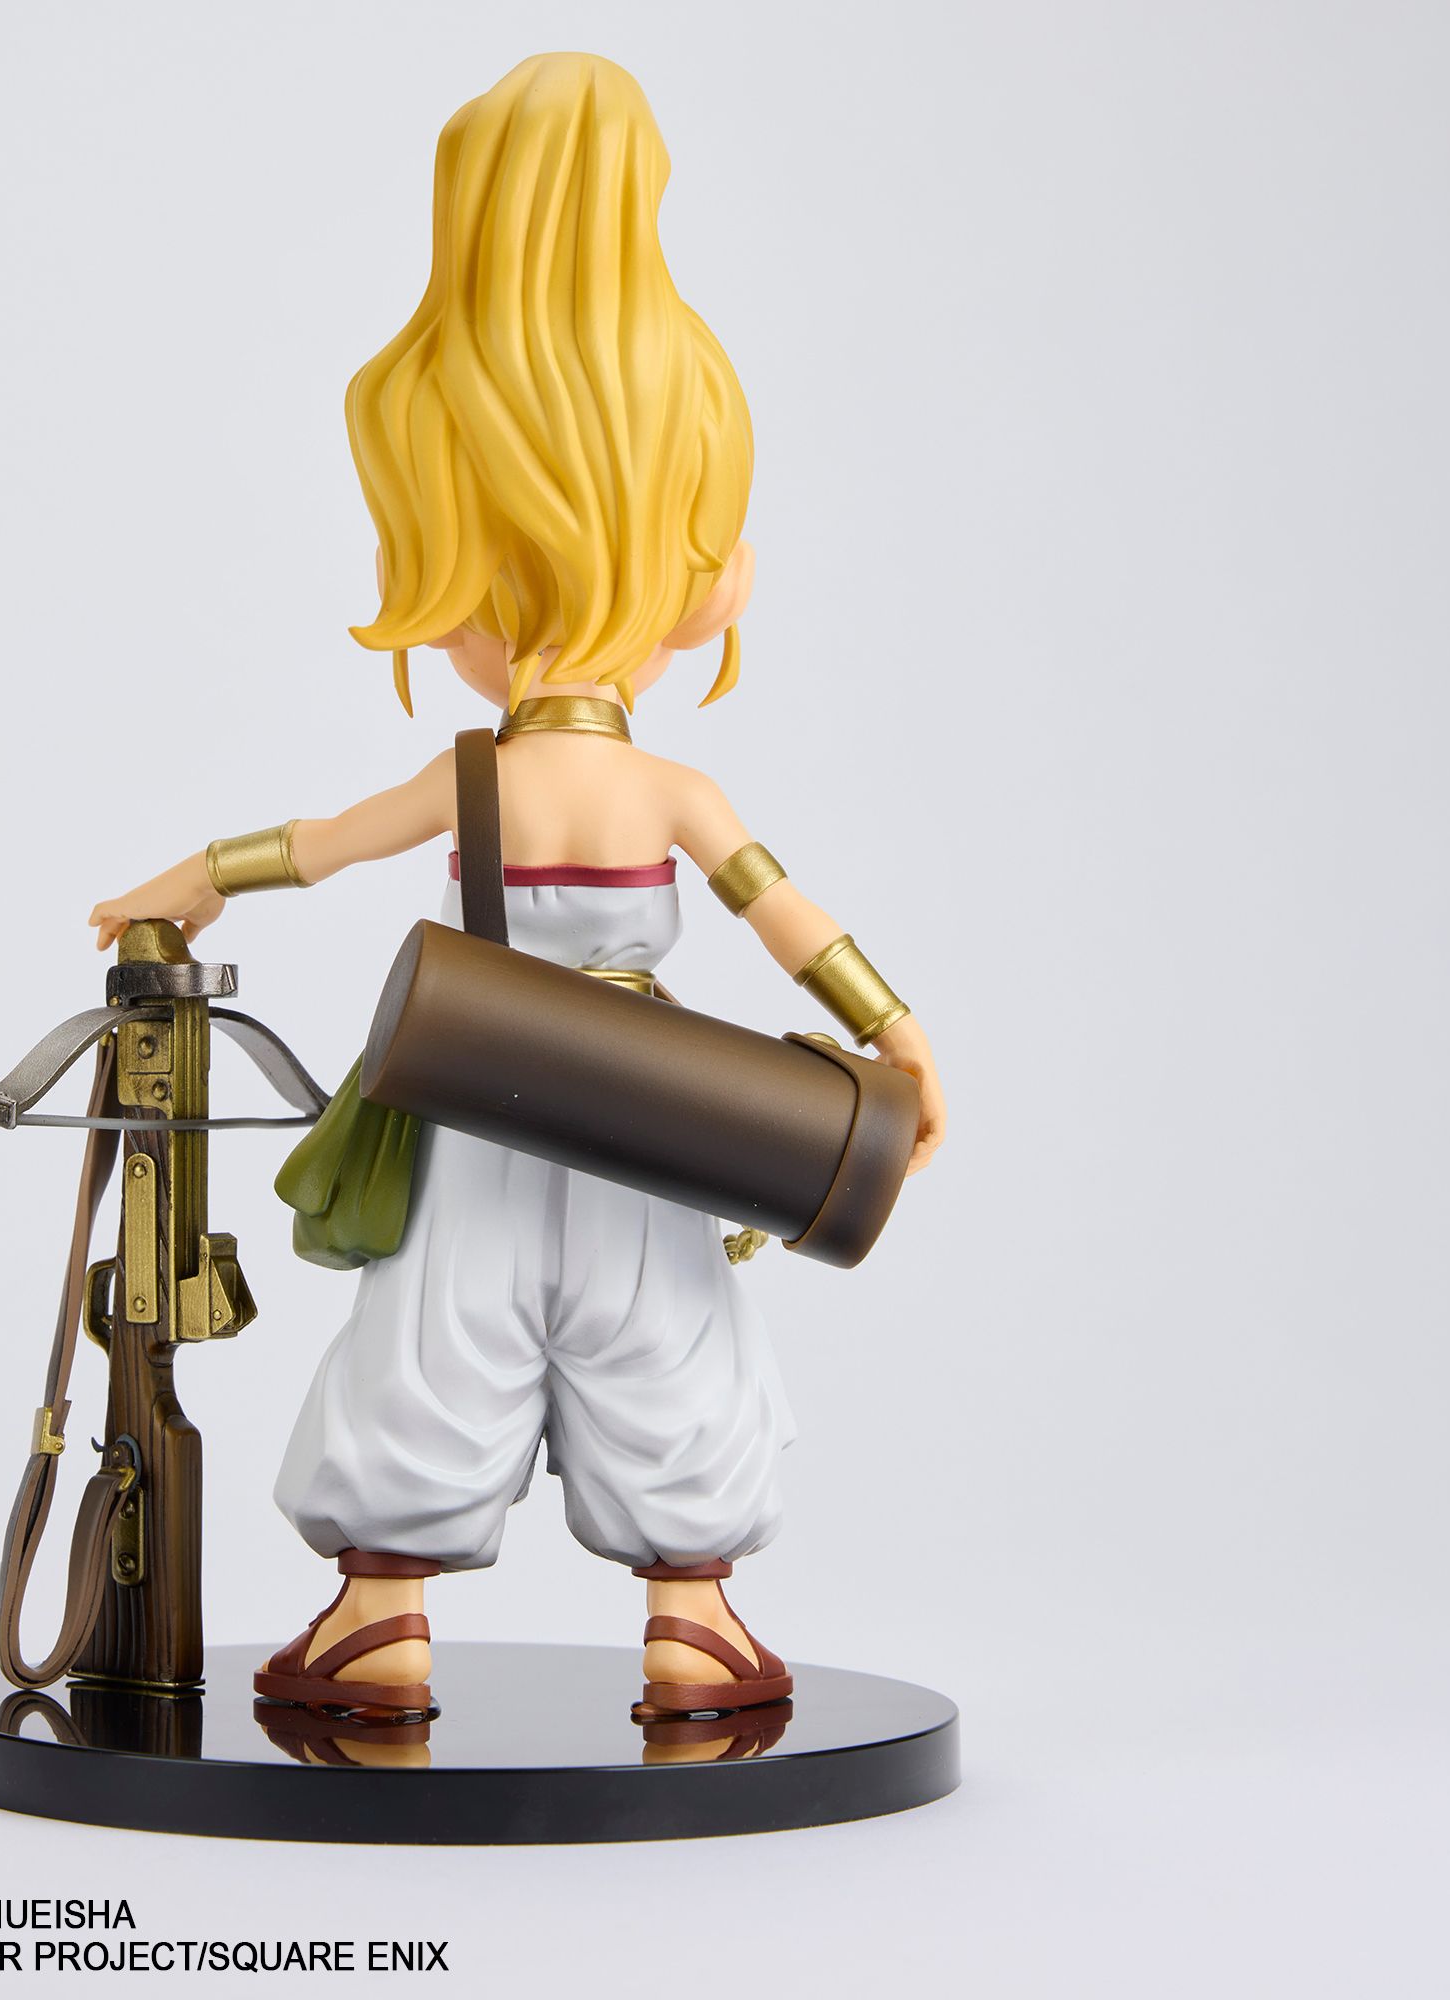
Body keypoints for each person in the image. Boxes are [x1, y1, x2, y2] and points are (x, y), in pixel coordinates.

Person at [89, 53, 945, 1721]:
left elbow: (323, 844)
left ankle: (380, 1617)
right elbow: (788, 919)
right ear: (708, 578)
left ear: (443, 571)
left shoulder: (467, 779)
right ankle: (694, 1623)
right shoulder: (672, 791)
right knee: (670, 1334)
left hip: (484, 1096)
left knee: (438, 1336)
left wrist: (191, 880)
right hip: (648, 1110)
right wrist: (898, 1035)